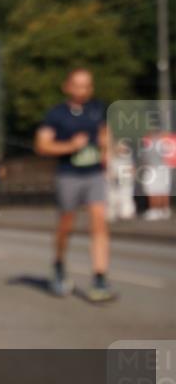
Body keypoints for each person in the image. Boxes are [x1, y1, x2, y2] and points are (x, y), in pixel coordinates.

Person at [34, 67, 115, 302]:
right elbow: (42, 145)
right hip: (68, 174)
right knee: (66, 225)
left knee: (99, 220)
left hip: (93, 174)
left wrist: (107, 149)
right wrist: (70, 146)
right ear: (67, 86)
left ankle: (100, 276)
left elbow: (106, 135)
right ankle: (59, 264)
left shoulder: (98, 109)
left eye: (87, 85)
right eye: (77, 85)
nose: (82, 90)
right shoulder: (56, 115)